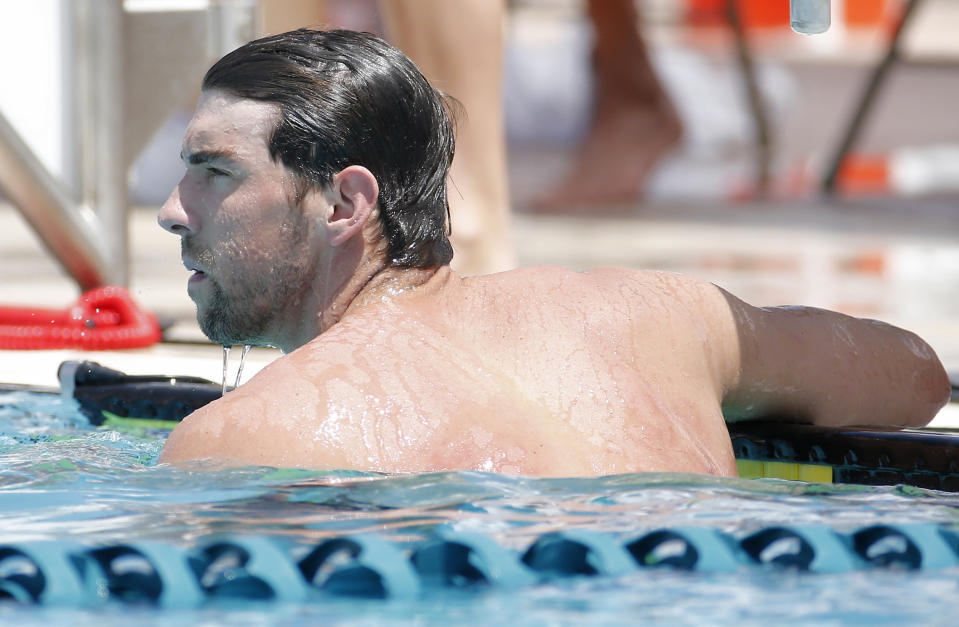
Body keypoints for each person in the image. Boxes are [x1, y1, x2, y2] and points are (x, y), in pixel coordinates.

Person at [157, 29, 949, 476]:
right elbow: (915, 375)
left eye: (213, 172)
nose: (170, 211)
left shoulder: (246, 438)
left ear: (344, 203)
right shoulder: (659, 319)